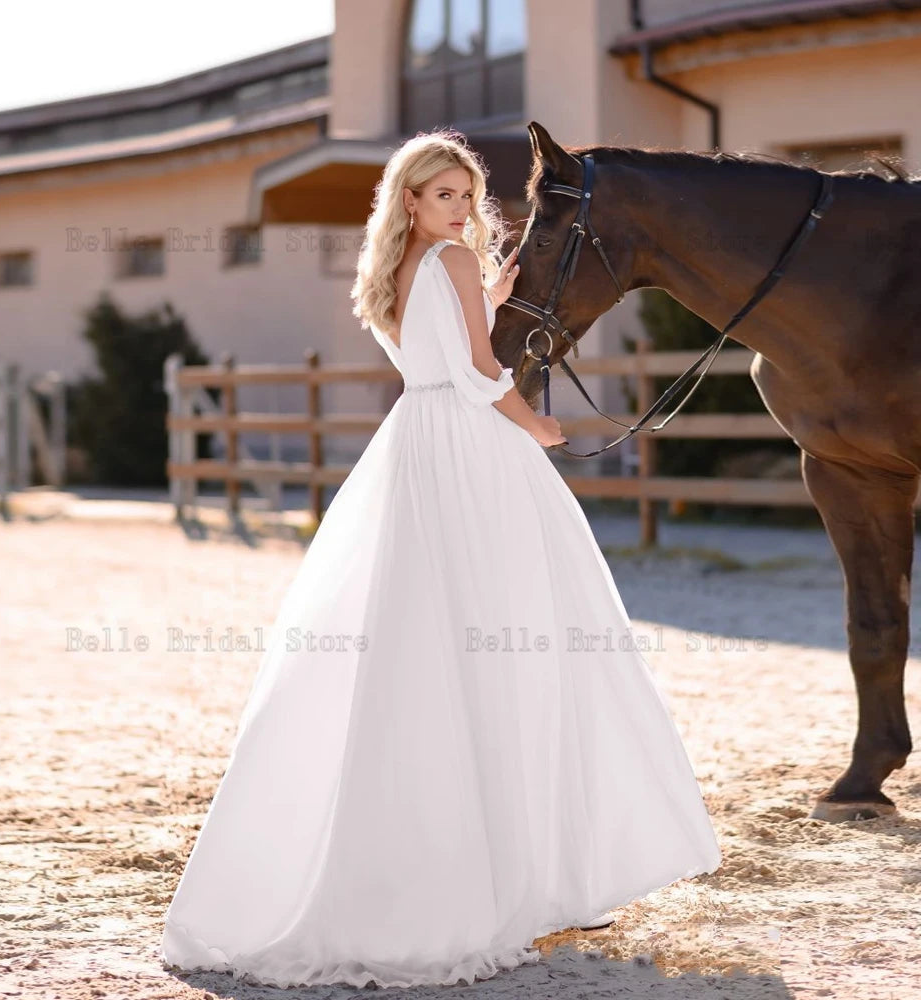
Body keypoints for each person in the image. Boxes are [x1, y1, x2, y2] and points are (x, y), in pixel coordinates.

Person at [159, 129, 721, 990]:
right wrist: (535, 424)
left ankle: (481, 871)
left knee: (424, 643)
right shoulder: (454, 267)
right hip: (473, 452)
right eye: (445, 197)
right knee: (525, 636)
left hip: (412, 452)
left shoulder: (391, 276)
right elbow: (477, 368)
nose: (463, 210)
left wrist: (489, 292)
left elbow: (438, 351)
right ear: (411, 202)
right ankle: (526, 872)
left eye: (469, 195)